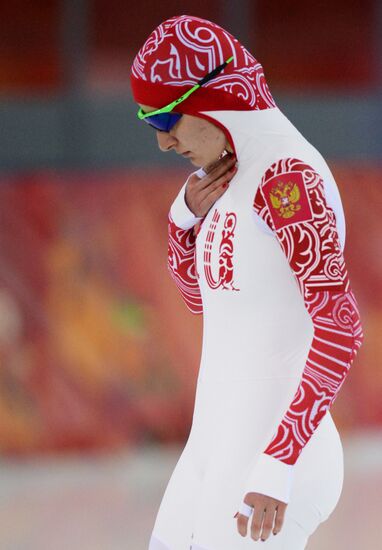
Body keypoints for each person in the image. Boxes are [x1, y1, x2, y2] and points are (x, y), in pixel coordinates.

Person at [130, 15, 364, 549]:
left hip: (274, 454)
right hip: (212, 446)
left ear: (213, 96)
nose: (163, 142)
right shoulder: (225, 176)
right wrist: (181, 223)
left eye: (166, 118)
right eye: (149, 124)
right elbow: (204, 302)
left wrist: (279, 461)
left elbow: (341, 325)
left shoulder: (288, 179)